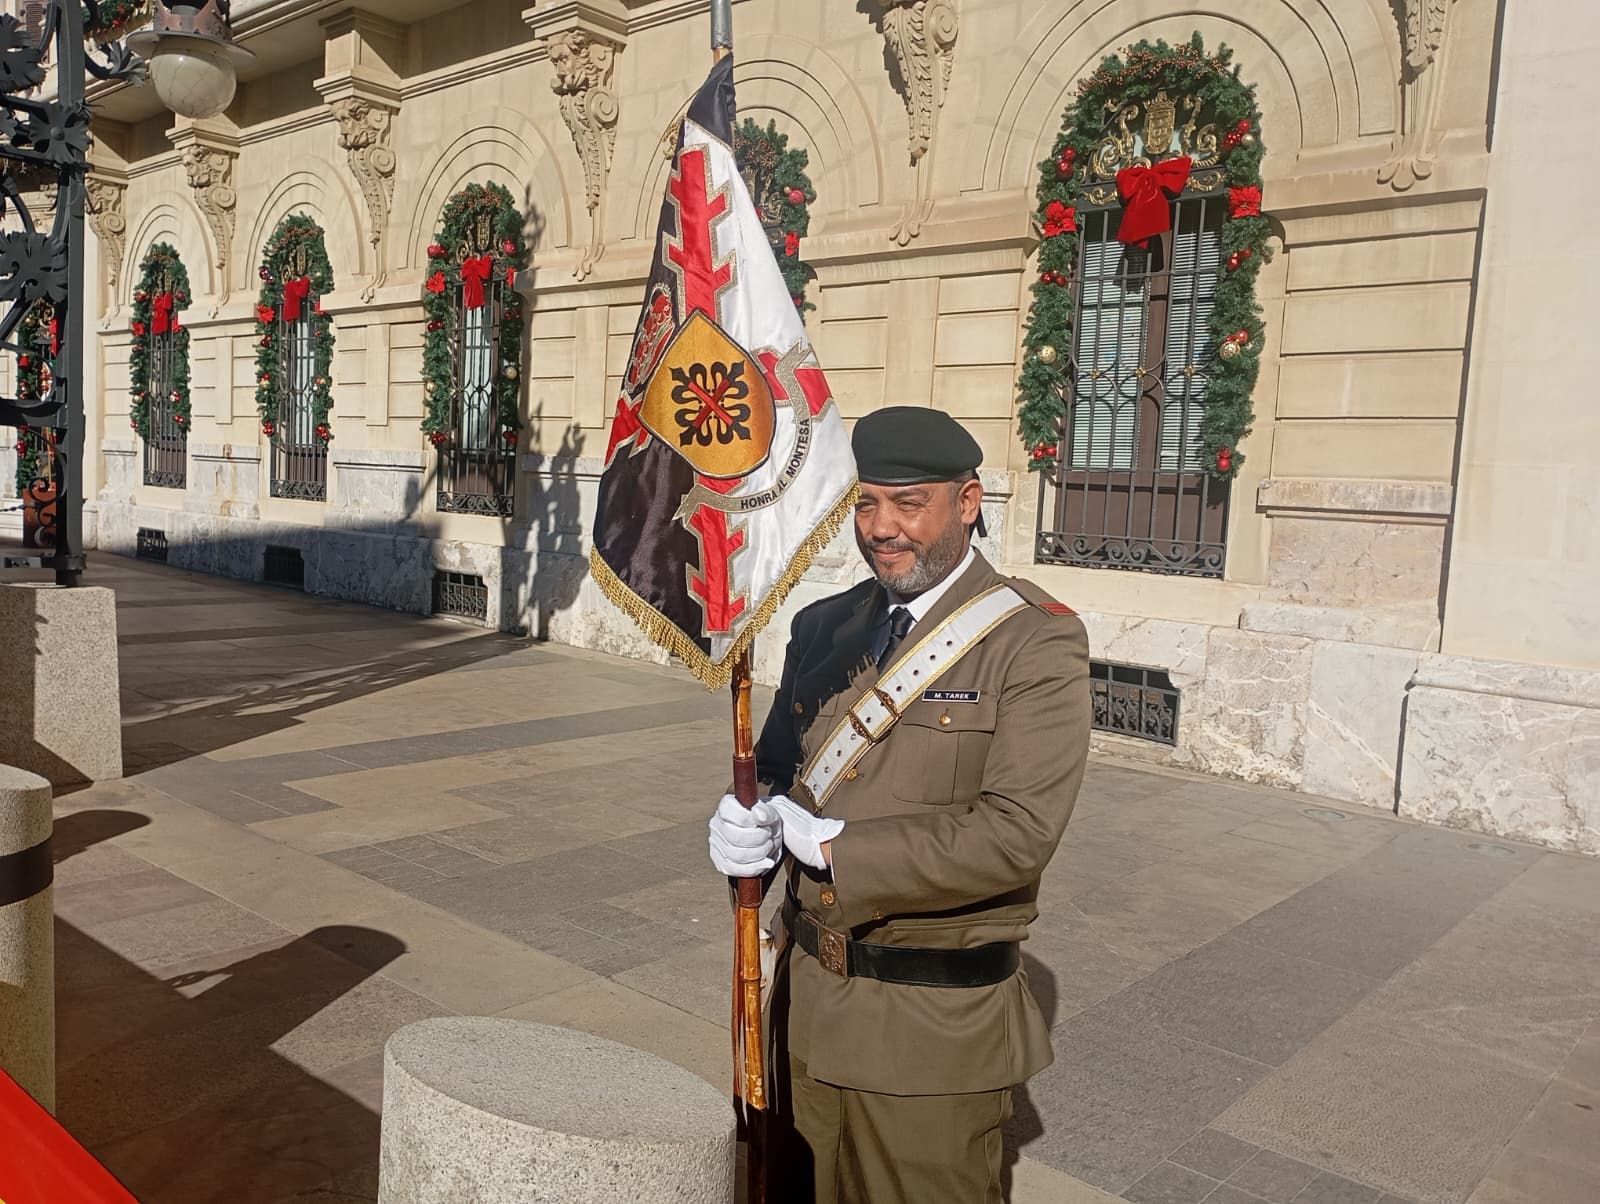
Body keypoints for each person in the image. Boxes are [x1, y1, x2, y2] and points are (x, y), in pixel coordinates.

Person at [707, 406, 1092, 1204]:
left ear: (969, 501)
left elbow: (1016, 835)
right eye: (866, 503)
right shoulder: (825, 625)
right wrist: (755, 826)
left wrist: (831, 849)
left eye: (909, 503)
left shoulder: (1034, 640)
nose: (882, 528)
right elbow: (783, 772)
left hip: (930, 1039)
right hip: (803, 1010)